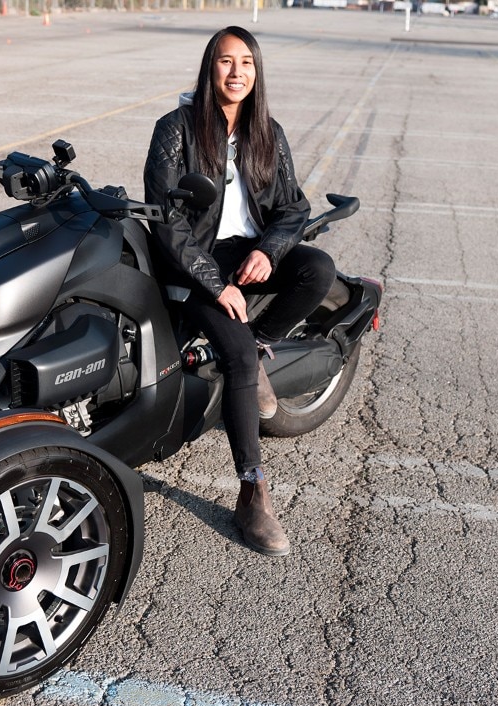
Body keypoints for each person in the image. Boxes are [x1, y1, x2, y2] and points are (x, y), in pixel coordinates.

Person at [144, 26, 335, 557]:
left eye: (246, 63)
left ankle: (259, 341)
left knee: (316, 269)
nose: (236, 72)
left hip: (249, 253)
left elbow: (294, 207)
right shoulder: (176, 129)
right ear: (210, 68)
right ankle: (253, 491)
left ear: (257, 72)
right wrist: (213, 282)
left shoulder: (267, 132)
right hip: (196, 261)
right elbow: (166, 218)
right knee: (239, 363)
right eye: (226, 62)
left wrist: (269, 251)